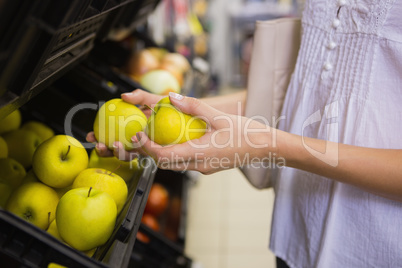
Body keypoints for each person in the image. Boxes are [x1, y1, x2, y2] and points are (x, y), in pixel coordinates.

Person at [87, 0, 402, 267]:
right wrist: (179, 109)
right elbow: (306, 91)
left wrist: (267, 144)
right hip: (297, 230)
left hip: (369, 246)